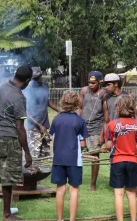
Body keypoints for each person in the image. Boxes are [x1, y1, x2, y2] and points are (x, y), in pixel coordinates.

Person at [0, 66, 33, 221]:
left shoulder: (2, 88)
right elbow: (20, 128)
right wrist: (27, 151)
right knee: (8, 177)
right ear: (27, 81)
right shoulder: (19, 97)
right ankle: (6, 214)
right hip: (8, 139)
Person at [105, 95, 137, 221]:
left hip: (117, 161)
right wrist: (132, 148)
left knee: (118, 193)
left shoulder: (111, 124)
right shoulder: (136, 124)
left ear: (118, 107)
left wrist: (112, 146)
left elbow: (108, 145)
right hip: (132, 161)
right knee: (131, 193)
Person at [50, 92, 88, 221]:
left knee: (60, 190)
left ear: (63, 103)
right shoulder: (80, 121)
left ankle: (60, 219)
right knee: (74, 190)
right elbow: (83, 143)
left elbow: (53, 139)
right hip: (74, 160)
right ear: (77, 104)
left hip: (58, 159)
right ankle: (72, 219)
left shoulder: (56, 119)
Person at [23, 67, 60, 163]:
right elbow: (26, 111)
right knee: (34, 154)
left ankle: (42, 175)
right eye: (34, 78)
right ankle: (34, 175)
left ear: (41, 76)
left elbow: (47, 102)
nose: (36, 80)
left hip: (45, 124)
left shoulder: (45, 86)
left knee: (45, 154)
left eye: (37, 77)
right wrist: (39, 125)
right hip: (34, 126)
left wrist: (59, 110)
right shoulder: (28, 89)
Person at [78, 71, 106, 191]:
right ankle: (76, 180)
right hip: (82, 127)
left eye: (93, 83)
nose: (90, 85)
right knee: (77, 154)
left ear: (99, 82)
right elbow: (79, 107)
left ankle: (93, 184)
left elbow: (106, 116)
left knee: (95, 157)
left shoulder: (104, 94)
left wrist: (102, 135)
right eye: (89, 82)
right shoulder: (84, 91)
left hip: (96, 128)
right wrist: (77, 124)